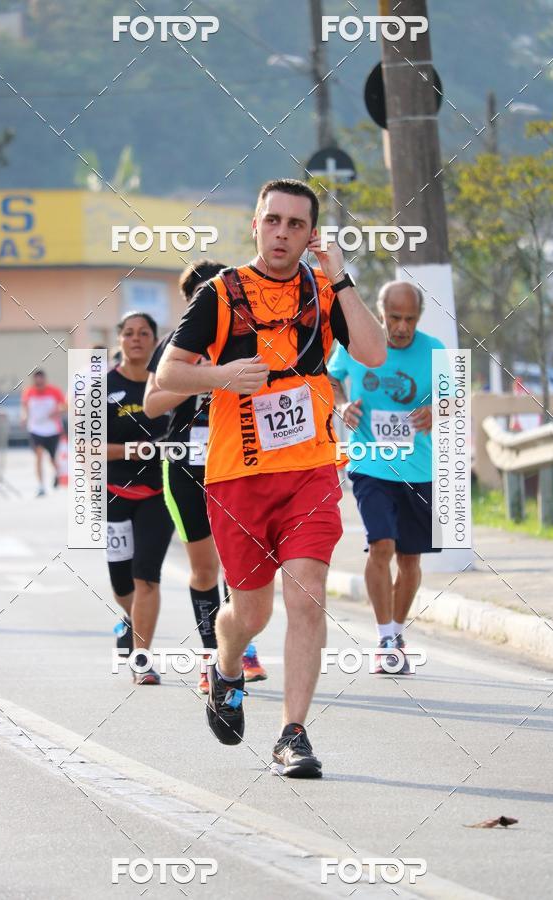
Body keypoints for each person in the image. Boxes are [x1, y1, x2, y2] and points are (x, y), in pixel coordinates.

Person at [156, 178, 386, 777]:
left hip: (310, 470)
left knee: (307, 596)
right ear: (255, 225)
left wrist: (341, 279)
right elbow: (167, 379)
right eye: (273, 220)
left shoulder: (323, 289)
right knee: (249, 614)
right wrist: (224, 376)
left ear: (311, 235)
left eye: (296, 224)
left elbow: (373, 352)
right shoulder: (220, 294)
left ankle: (293, 735)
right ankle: (225, 665)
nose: (283, 232)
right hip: (238, 479)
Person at [144, 260, 267, 694]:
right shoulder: (173, 346)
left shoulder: (245, 340)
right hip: (184, 464)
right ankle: (209, 657)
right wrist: (206, 381)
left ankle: (241, 649)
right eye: (203, 294)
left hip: (236, 461)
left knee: (239, 563)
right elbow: (152, 405)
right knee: (203, 568)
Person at [328, 280, 444, 674]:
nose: (402, 327)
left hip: (420, 468)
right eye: (395, 317)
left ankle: (397, 630)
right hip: (370, 464)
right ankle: (383, 637)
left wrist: (439, 411)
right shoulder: (356, 345)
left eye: (410, 319)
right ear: (381, 314)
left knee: (409, 559)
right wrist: (342, 406)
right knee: (381, 545)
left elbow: (459, 398)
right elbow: (329, 379)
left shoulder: (436, 351)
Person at [106, 311, 175, 685]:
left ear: (154, 340)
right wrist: (129, 451)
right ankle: (130, 618)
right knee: (122, 585)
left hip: (159, 492)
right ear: (120, 340)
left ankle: (142, 657)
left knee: (146, 576)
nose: (136, 338)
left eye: (144, 333)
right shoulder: (103, 387)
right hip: (114, 493)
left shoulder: (165, 384)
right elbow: (84, 449)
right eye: (129, 333)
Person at [20, 369, 66, 497]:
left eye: (41, 380)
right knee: (38, 455)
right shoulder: (29, 392)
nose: (39, 383)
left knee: (52, 458)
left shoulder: (54, 391)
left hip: (52, 430)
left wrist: (56, 412)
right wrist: (24, 417)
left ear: (45, 380)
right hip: (35, 429)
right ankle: (41, 486)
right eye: (36, 381)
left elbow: (64, 406)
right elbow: (25, 407)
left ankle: (57, 473)